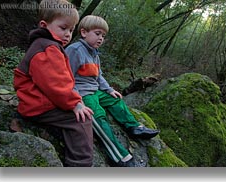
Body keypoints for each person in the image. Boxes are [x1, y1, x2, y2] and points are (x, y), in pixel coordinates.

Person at [65, 15, 160, 167]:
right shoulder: (75, 50)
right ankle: (118, 156)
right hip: (82, 93)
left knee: (116, 100)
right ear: (83, 32)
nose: (101, 38)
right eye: (97, 34)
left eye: (103, 35)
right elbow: (66, 76)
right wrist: (76, 100)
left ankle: (133, 127)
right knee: (98, 115)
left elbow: (99, 76)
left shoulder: (94, 54)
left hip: (95, 91)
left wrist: (108, 90)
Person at [13, 0, 94, 167]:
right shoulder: (47, 48)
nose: (67, 34)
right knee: (81, 119)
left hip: (39, 100)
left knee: (80, 111)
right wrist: (75, 104)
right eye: (63, 28)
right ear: (44, 25)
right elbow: (56, 85)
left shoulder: (47, 45)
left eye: (71, 30)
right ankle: (81, 165)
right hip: (37, 104)